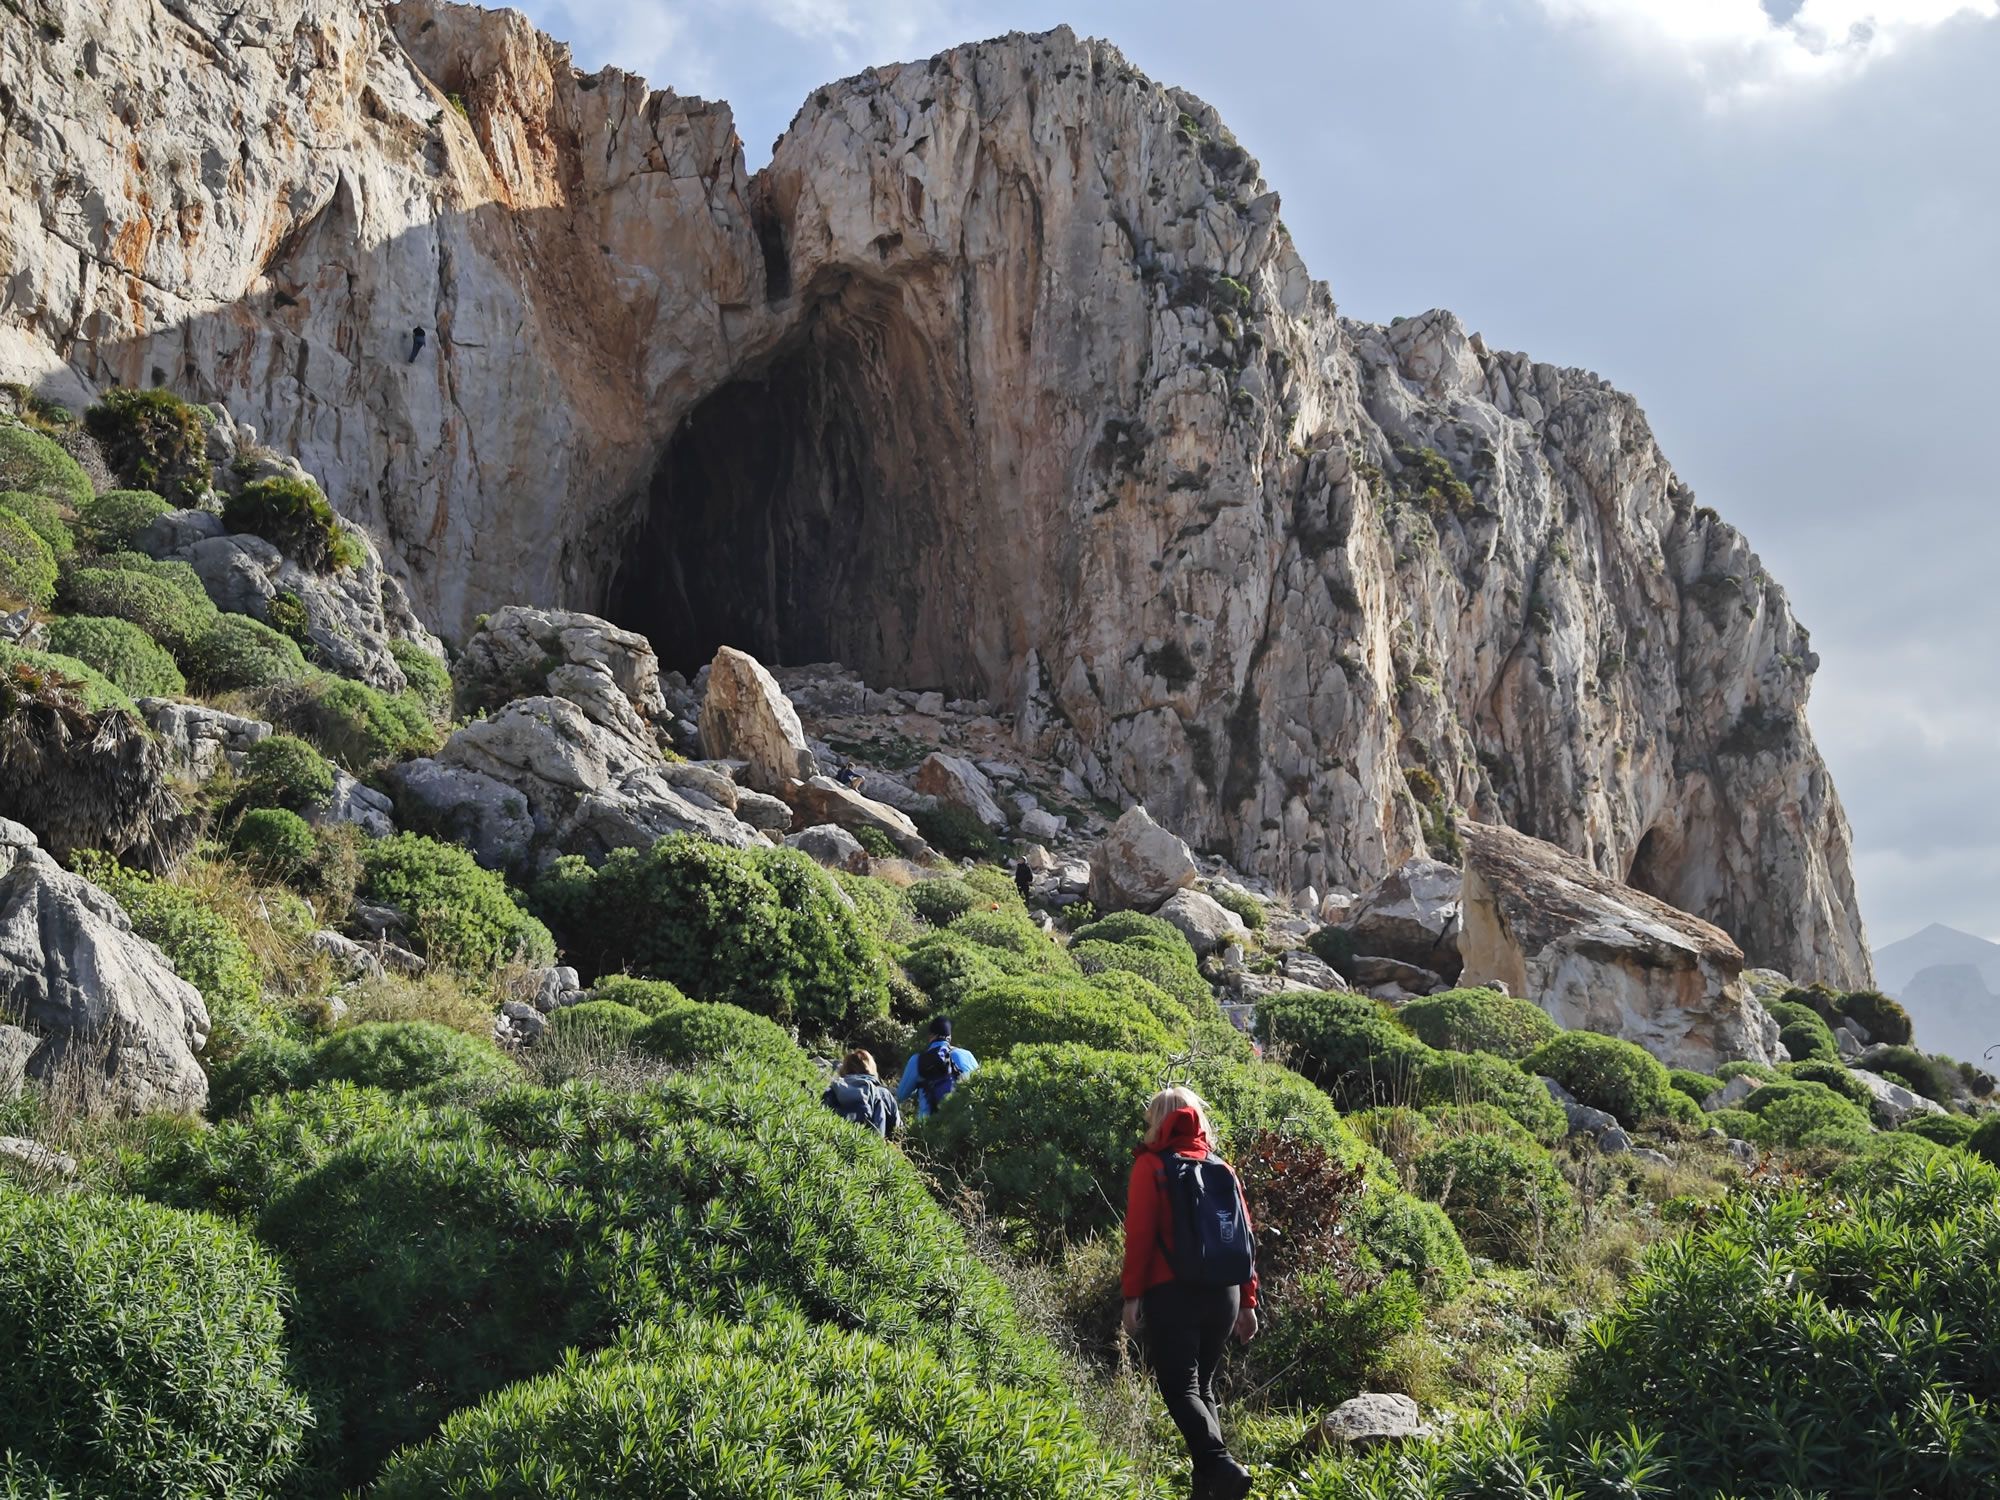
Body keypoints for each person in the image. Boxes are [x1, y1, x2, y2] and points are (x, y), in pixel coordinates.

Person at [1121, 1086, 1258, 1500]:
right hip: (1225, 1292)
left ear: (1157, 1121)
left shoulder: (1152, 1166)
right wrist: (1248, 1301)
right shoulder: (1222, 1167)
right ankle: (1210, 1491)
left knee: (1180, 1388)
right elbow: (1245, 1237)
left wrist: (1132, 1297)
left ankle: (1220, 1464)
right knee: (1204, 1389)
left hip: (1173, 1291)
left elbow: (1140, 1237)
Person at [895, 1018, 978, 1118]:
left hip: (930, 1127)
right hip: (965, 1124)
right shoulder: (966, 1055)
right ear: (950, 1037)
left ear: (930, 1036)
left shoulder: (917, 1060)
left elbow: (901, 1095)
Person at [823, 1049, 899, 1137]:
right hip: (869, 1146)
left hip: (833, 1141)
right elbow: (897, 1131)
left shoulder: (834, 1089)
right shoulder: (883, 1094)